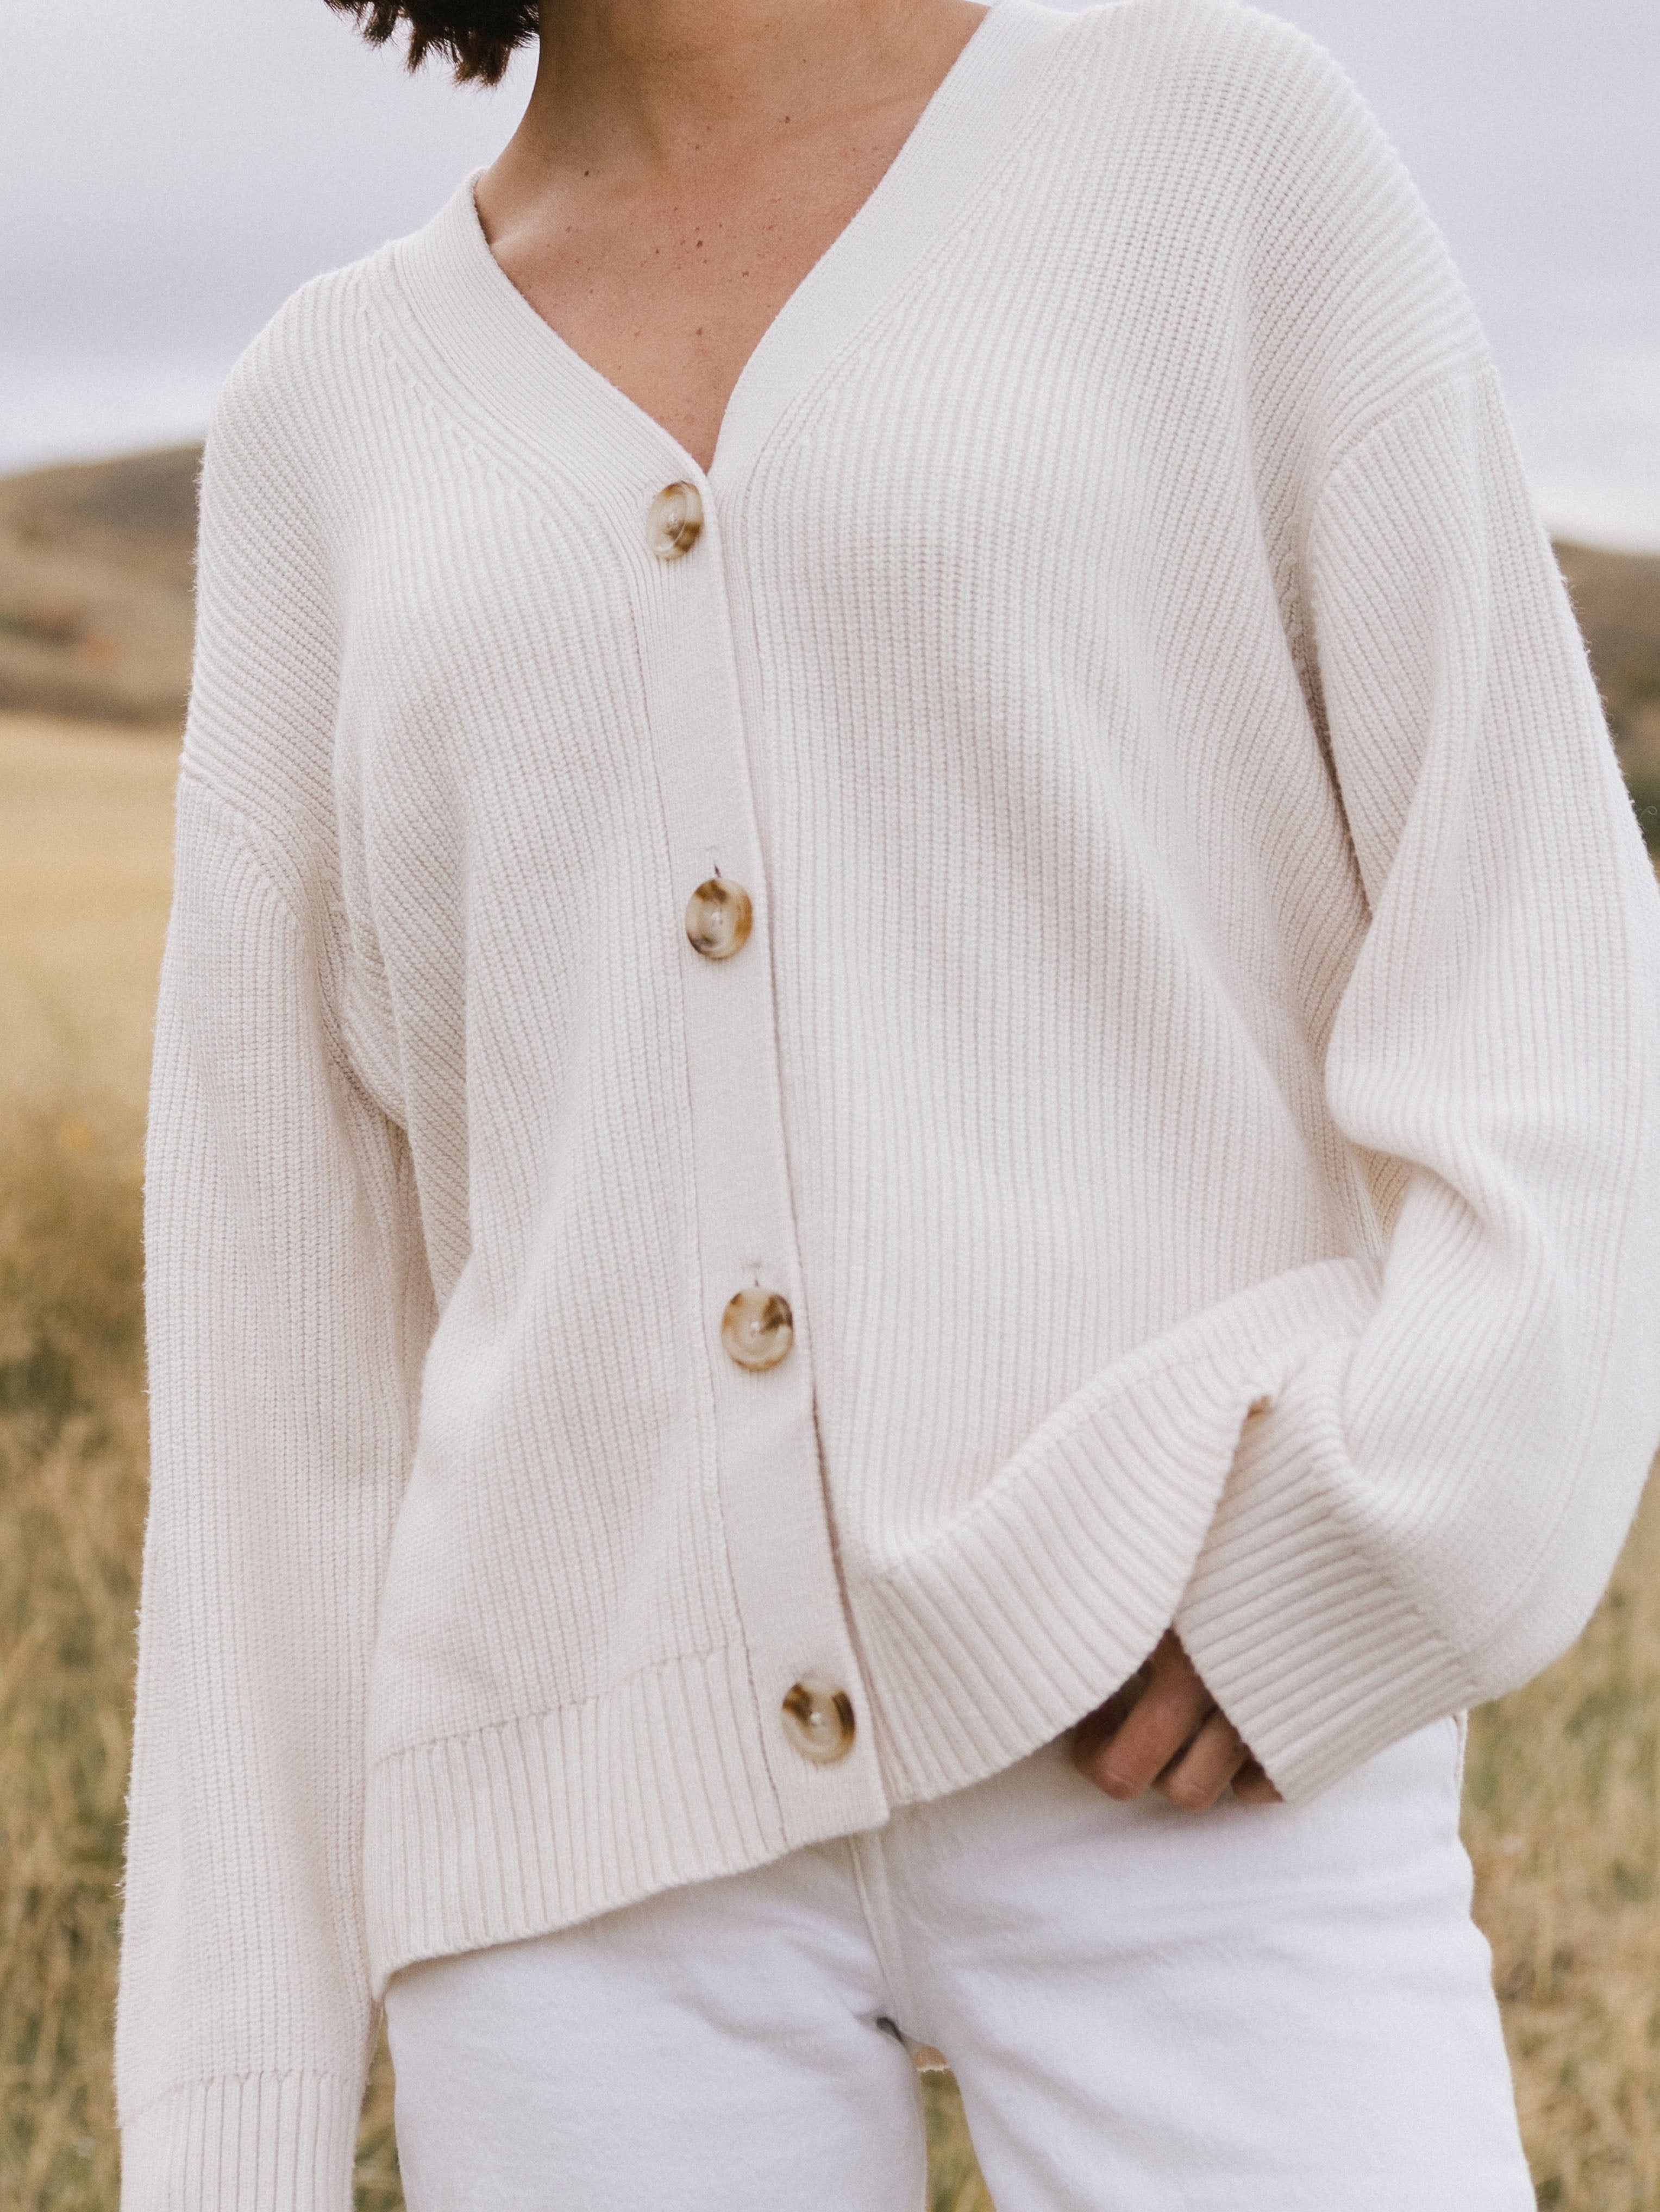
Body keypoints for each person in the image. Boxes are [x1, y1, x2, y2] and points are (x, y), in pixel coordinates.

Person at [115, 0, 1660, 2202]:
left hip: (1193, 1754)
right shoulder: (323, 421)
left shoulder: (1207, 142)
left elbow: (1535, 943)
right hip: (576, 1902)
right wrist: (227, 2136)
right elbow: (282, 1362)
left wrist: (1380, 1544)